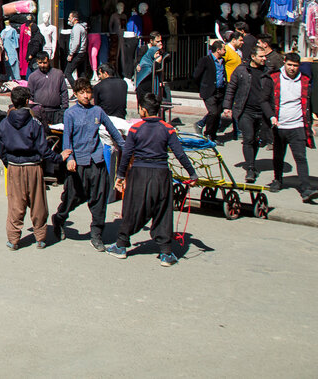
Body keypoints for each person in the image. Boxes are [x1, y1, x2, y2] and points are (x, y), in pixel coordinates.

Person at [106, 94, 198, 267]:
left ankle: (121, 245)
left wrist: (120, 176)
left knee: (133, 208)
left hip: (139, 173)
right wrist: (192, 174)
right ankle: (165, 253)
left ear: (143, 110)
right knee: (163, 210)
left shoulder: (135, 129)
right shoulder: (168, 128)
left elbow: (126, 154)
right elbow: (179, 153)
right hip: (161, 173)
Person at [51, 79, 125, 251]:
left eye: (88, 92)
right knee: (72, 198)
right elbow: (67, 137)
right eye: (82, 92)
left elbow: (112, 130)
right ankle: (59, 219)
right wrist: (69, 158)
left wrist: (125, 146)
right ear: (76, 94)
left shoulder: (98, 111)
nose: (86, 96)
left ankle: (96, 234)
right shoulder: (70, 113)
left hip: (97, 161)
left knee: (99, 199)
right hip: (78, 163)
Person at [0, 86, 53, 250]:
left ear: (12, 102)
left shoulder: (4, 123)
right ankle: (40, 238)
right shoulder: (35, 123)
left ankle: (13, 240)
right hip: (33, 166)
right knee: (38, 203)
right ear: (28, 101)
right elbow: (43, 149)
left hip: (14, 166)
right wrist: (58, 158)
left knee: (15, 204)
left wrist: (9, 163)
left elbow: (2, 151)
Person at [267, 52, 318, 201]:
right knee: (278, 156)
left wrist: (309, 123)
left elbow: (306, 103)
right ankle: (278, 180)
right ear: (284, 63)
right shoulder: (275, 78)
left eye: (295, 66)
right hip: (280, 126)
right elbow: (265, 100)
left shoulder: (304, 80)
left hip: (297, 126)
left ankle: (306, 188)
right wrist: (272, 117)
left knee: (301, 157)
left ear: (299, 66)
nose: (292, 68)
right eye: (289, 65)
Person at [223, 46, 274, 183]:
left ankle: (252, 162)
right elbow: (231, 88)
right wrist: (227, 106)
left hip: (261, 112)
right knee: (249, 137)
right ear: (253, 57)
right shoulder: (242, 70)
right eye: (261, 56)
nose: (264, 59)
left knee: (257, 140)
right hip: (245, 110)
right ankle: (250, 168)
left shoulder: (267, 72)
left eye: (265, 56)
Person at [192, 41, 227, 142]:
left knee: (218, 113)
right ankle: (207, 134)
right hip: (209, 91)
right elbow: (196, 75)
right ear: (218, 50)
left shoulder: (222, 61)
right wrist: (203, 86)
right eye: (224, 49)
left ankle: (213, 135)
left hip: (220, 90)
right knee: (213, 112)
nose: (225, 51)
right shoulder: (205, 60)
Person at [27, 52, 69, 126]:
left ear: (49, 61)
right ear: (37, 62)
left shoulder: (58, 74)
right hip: (40, 111)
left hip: (56, 111)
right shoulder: (33, 76)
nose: (42, 65)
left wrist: (64, 108)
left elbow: (64, 91)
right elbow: (30, 95)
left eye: (45, 63)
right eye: (40, 63)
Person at [133, 31, 163, 99]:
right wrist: (138, 65)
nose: (159, 43)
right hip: (146, 78)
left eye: (160, 41)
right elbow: (139, 61)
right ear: (151, 41)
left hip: (155, 77)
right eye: (157, 41)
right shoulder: (144, 49)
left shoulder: (159, 50)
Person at [64, 11, 88, 86]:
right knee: (81, 73)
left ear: (74, 19)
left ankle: (76, 89)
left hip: (77, 53)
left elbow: (76, 42)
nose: (68, 19)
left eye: (70, 17)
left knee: (67, 72)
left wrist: (71, 54)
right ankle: (84, 88)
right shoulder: (81, 27)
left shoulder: (77, 28)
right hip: (81, 53)